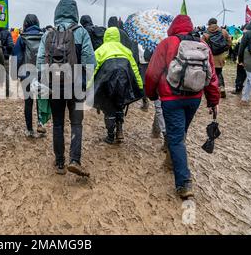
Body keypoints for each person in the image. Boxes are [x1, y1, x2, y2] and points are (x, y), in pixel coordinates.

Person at [145, 15, 220, 199]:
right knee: (179, 133)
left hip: (171, 98)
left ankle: (184, 183)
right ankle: (171, 161)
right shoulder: (203, 44)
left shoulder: (167, 43)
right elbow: (211, 77)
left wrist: (152, 94)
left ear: (173, 27)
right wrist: (213, 101)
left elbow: (152, 73)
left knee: (176, 138)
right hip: (194, 98)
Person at [37, 0, 96, 177]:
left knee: (58, 124)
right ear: (75, 12)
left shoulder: (48, 34)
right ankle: (75, 160)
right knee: (77, 124)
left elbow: (40, 62)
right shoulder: (82, 33)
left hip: (54, 85)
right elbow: (90, 61)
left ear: (57, 12)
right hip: (76, 85)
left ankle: (60, 162)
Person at [91, 27, 143, 144]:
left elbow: (93, 70)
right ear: (118, 37)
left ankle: (110, 136)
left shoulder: (100, 50)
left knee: (108, 108)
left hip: (106, 82)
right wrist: (139, 86)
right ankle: (119, 129)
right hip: (123, 82)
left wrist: (89, 86)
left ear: (105, 37)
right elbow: (134, 70)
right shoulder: (126, 50)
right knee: (120, 105)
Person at [13, 14, 46, 138]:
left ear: (25, 23)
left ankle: (29, 129)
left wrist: (16, 74)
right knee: (41, 100)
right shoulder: (44, 36)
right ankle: (40, 123)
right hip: (42, 73)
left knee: (28, 102)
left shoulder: (22, 38)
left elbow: (17, 56)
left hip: (26, 74)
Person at [202, 18, 232, 98]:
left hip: (210, 56)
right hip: (220, 56)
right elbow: (229, 42)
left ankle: (210, 91)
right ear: (216, 23)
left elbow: (202, 46)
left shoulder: (205, 34)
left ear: (209, 23)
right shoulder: (223, 31)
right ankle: (221, 87)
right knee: (219, 72)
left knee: (209, 74)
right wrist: (224, 49)